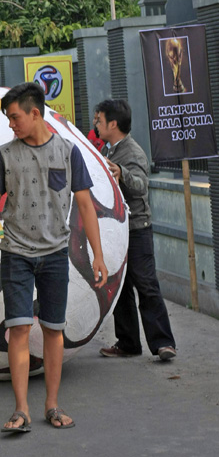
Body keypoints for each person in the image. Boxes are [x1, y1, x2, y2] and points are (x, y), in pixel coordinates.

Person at [0, 83, 108, 433]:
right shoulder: (4, 155)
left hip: (55, 255)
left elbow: (85, 205)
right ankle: (21, 409)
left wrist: (98, 256)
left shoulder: (69, 153)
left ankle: (52, 405)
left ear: (35, 113)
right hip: (16, 255)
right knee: (19, 328)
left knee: (54, 330)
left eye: (14, 117)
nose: (11, 125)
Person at [96, 99, 177, 362]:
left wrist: (123, 173)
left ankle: (163, 343)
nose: (95, 124)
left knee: (146, 284)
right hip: (118, 230)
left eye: (99, 120)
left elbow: (142, 186)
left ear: (113, 124)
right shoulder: (109, 150)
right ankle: (128, 343)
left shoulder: (132, 152)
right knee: (121, 287)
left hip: (137, 229)